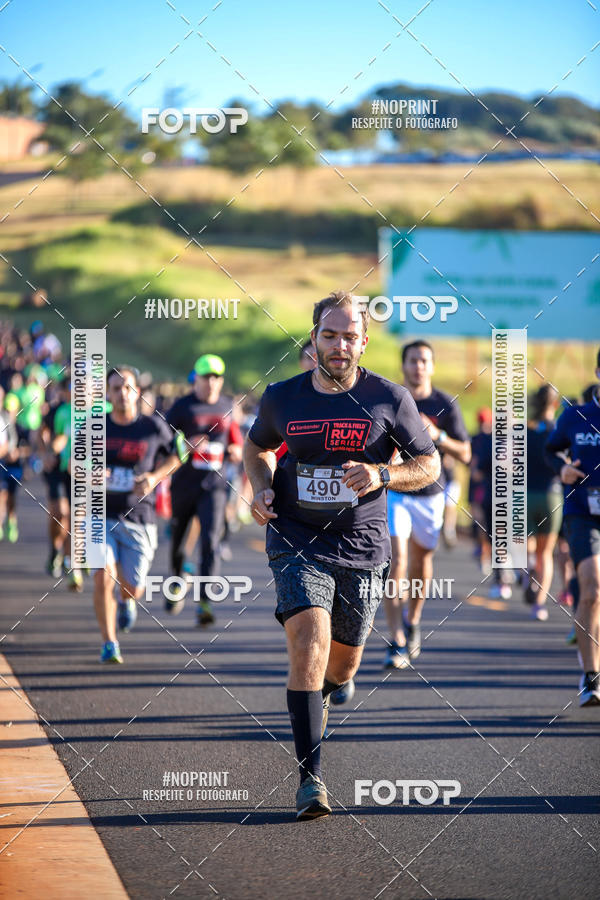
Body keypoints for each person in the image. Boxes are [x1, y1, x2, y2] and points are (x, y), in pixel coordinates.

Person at [243, 291, 440, 820]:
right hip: (296, 537)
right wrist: (262, 486)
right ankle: (311, 780)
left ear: (364, 341)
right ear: (313, 338)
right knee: (309, 636)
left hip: (364, 546)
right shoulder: (283, 398)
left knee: (344, 661)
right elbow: (256, 447)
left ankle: (324, 693)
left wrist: (383, 474)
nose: (339, 345)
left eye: (349, 336)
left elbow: (429, 464)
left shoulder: (389, 398)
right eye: (329, 335)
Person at [383, 340, 471, 668]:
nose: (418, 366)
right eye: (412, 360)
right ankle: (396, 640)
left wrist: (438, 436)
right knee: (397, 562)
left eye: (424, 361)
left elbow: (466, 453)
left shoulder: (444, 403)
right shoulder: (391, 399)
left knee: (421, 564)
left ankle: (413, 619)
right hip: (395, 492)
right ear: (403, 365)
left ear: (432, 366)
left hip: (431, 495)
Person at [94, 366, 181, 664]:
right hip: (100, 513)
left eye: (127, 387)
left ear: (137, 391)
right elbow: (73, 464)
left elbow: (177, 455)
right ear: (108, 393)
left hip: (139, 518)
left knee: (133, 586)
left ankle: (126, 601)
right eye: (116, 388)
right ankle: (109, 643)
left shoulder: (152, 426)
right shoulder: (96, 426)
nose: (122, 393)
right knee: (102, 575)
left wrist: (155, 477)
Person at [165, 355, 243, 625]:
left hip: (215, 486)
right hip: (185, 483)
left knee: (210, 540)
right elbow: (163, 441)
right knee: (179, 538)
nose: (211, 382)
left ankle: (205, 602)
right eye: (206, 377)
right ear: (195, 379)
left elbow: (235, 437)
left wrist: (235, 450)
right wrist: (185, 445)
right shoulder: (182, 406)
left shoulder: (227, 405)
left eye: (216, 377)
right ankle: (177, 577)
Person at [545, 352, 600, 706]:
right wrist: (561, 469)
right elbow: (550, 451)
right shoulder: (576, 415)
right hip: (584, 512)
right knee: (592, 587)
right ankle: (591, 675)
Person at [524, 385, 563, 621]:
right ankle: (539, 604)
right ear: (555, 404)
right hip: (552, 494)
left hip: (525, 494)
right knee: (546, 553)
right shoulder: (559, 430)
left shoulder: (523, 429)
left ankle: (528, 569)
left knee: (527, 546)